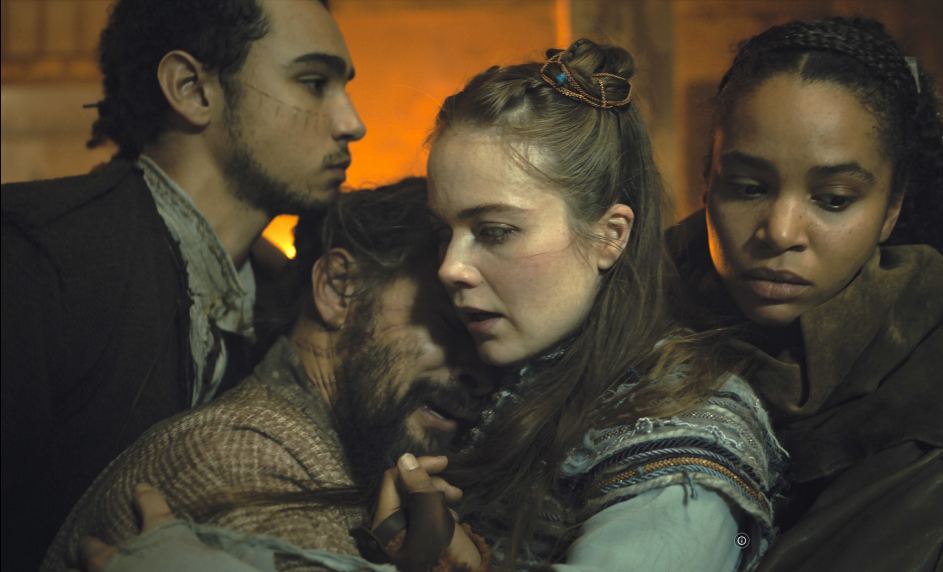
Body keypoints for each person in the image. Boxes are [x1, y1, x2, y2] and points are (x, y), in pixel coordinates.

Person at [369, 39, 786, 572]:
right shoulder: (523, 379)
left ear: (610, 235)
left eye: (494, 231)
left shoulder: (680, 447)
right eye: (443, 233)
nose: (451, 267)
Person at [0, 0, 365, 567]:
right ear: (191, 89)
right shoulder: (36, 258)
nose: (352, 123)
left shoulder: (287, 300)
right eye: (314, 82)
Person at [667, 17, 943, 572]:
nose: (781, 232)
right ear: (707, 181)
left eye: (833, 199)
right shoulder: (623, 308)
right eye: (749, 187)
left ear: (891, 210)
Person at [43, 179, 497, 572]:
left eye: (492, 350)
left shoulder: (312, 458)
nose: (482, 375)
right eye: (452, 326)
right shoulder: (245, 466)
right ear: (339, 288)